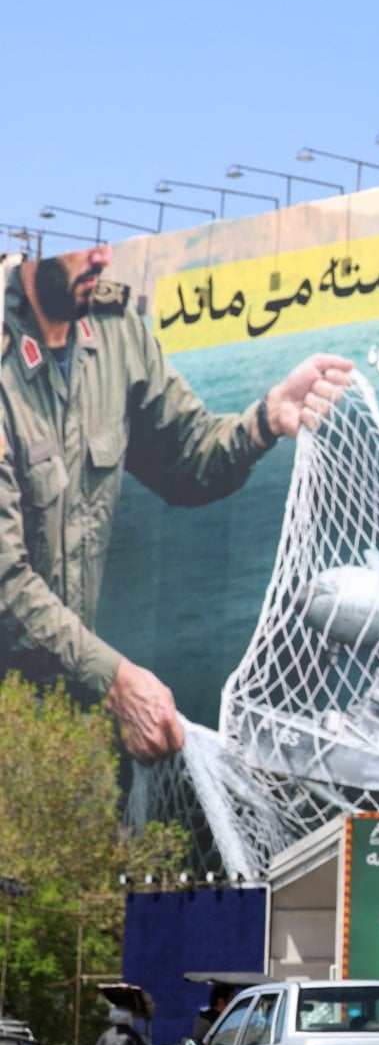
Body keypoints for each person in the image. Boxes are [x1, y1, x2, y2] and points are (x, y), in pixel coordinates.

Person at [0, 244, 352, 758]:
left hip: (66, 721)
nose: (103, 257)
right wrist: (118, 682)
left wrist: (264, 420)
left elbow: (186, 459)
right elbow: (6, 580)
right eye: (83, 240)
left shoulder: (116, 331)